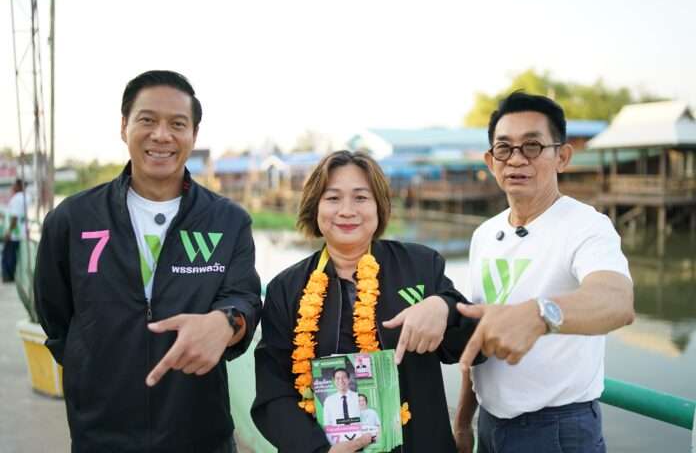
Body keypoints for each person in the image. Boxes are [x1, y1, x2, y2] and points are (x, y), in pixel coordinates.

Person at [34, 70, 261, 453]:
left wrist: (226, 323)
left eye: (177, 124)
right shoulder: (73, 219)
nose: (161, 135)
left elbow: (245, 300)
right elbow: (55, 317)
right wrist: (92, 365)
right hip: (101, 436)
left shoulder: (228, 220)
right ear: (124, 126)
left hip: (201, 435)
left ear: (194, 134)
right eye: (147, 120)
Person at [251, 150, 483, 453]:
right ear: (314, 206)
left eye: (361, 197)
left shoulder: (420, 266)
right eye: (333, 198)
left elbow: (476, 347)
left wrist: (444, 308)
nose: (347, 211)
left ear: (379, 206)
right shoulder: (286, 289)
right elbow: (274, 394)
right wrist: (318, 450)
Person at [454, 91, 635, 453]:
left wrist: (540, 314)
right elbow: (480, 334)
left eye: (532, 146)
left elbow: (617, 301)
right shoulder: (484, 234)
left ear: (562, 157)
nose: (516, 159)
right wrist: (462, 421)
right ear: (491, 161)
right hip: (489, 422)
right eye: (504, 148)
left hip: (558, 429)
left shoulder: (587, 226)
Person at [2, 178, 28, 282]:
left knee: (8, 255)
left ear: (18, 186)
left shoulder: (16, 198)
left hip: (14, 233)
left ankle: (8, 277)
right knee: (12, 255)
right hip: (20, 232)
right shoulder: (25, 197)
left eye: (14, 185)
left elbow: (15, 217)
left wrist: (9, 231)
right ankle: (10, 276)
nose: (12, 187)